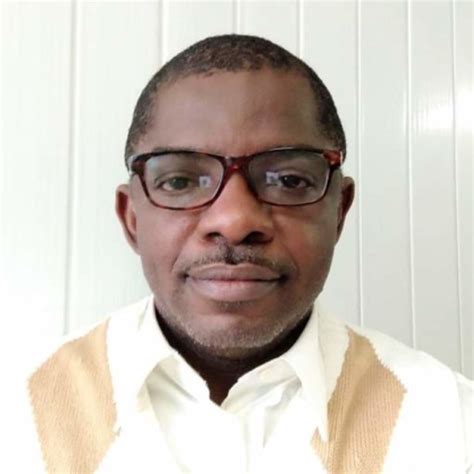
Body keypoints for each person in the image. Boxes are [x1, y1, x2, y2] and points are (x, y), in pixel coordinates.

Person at [15, 35, 472, 473]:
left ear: (339, 212)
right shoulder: (16, 416)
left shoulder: (449, 422)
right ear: (131, 218)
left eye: (288, 180)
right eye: (180, 181)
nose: (234, 221)